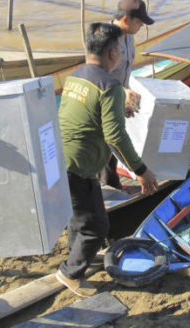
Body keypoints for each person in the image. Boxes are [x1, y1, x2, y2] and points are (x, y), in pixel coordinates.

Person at [56, 22, 158, 297]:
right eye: (121, 50)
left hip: (62, 158)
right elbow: (115, 137)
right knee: (97, 226)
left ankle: (75, 257)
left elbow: (86, 112)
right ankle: (70, 273)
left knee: (80, 216)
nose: (123, 56)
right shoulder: (110, 86)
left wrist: (116, 109)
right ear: (114, 52)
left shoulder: (76, 75)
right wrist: (141, 169)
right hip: (82, 164)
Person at [99, 0, 155, 189]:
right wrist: (122, 93)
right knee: (106, 147)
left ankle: (112, 183)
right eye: (139, 22)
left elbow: (123, 74)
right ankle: (108, 188)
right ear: (125, 19)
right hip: (103, 103)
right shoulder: (105, 40)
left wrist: (123, 101)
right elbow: (98, 77)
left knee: (111, 153)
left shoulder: (129, 36)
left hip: (118, 100)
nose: (140, 27)